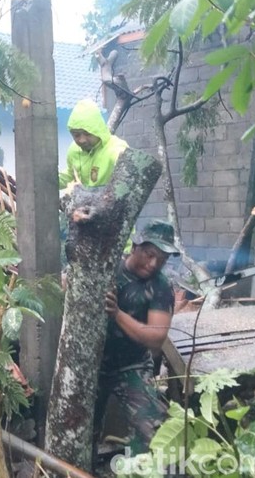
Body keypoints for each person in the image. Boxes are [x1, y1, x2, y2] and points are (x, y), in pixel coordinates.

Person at [94, 220, 179, 460]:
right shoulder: (108, 268)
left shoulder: (161, 287)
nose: (153, 264)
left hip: (132, 364)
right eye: (149, 255)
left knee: (151, 428)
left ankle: (141, 470)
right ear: (135, 246)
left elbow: (156, 337)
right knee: (81, 430)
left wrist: (117, 314)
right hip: (91, 365)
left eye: (161, 260)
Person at [59, 99, 128, 189]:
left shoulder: (116, 148)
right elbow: (71, 174)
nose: (82, 140)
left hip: (108, 201)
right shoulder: (74, 150)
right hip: (83, 201)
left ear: (97, 130)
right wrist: (48, 180)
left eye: (88, 134)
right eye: (76, 135)